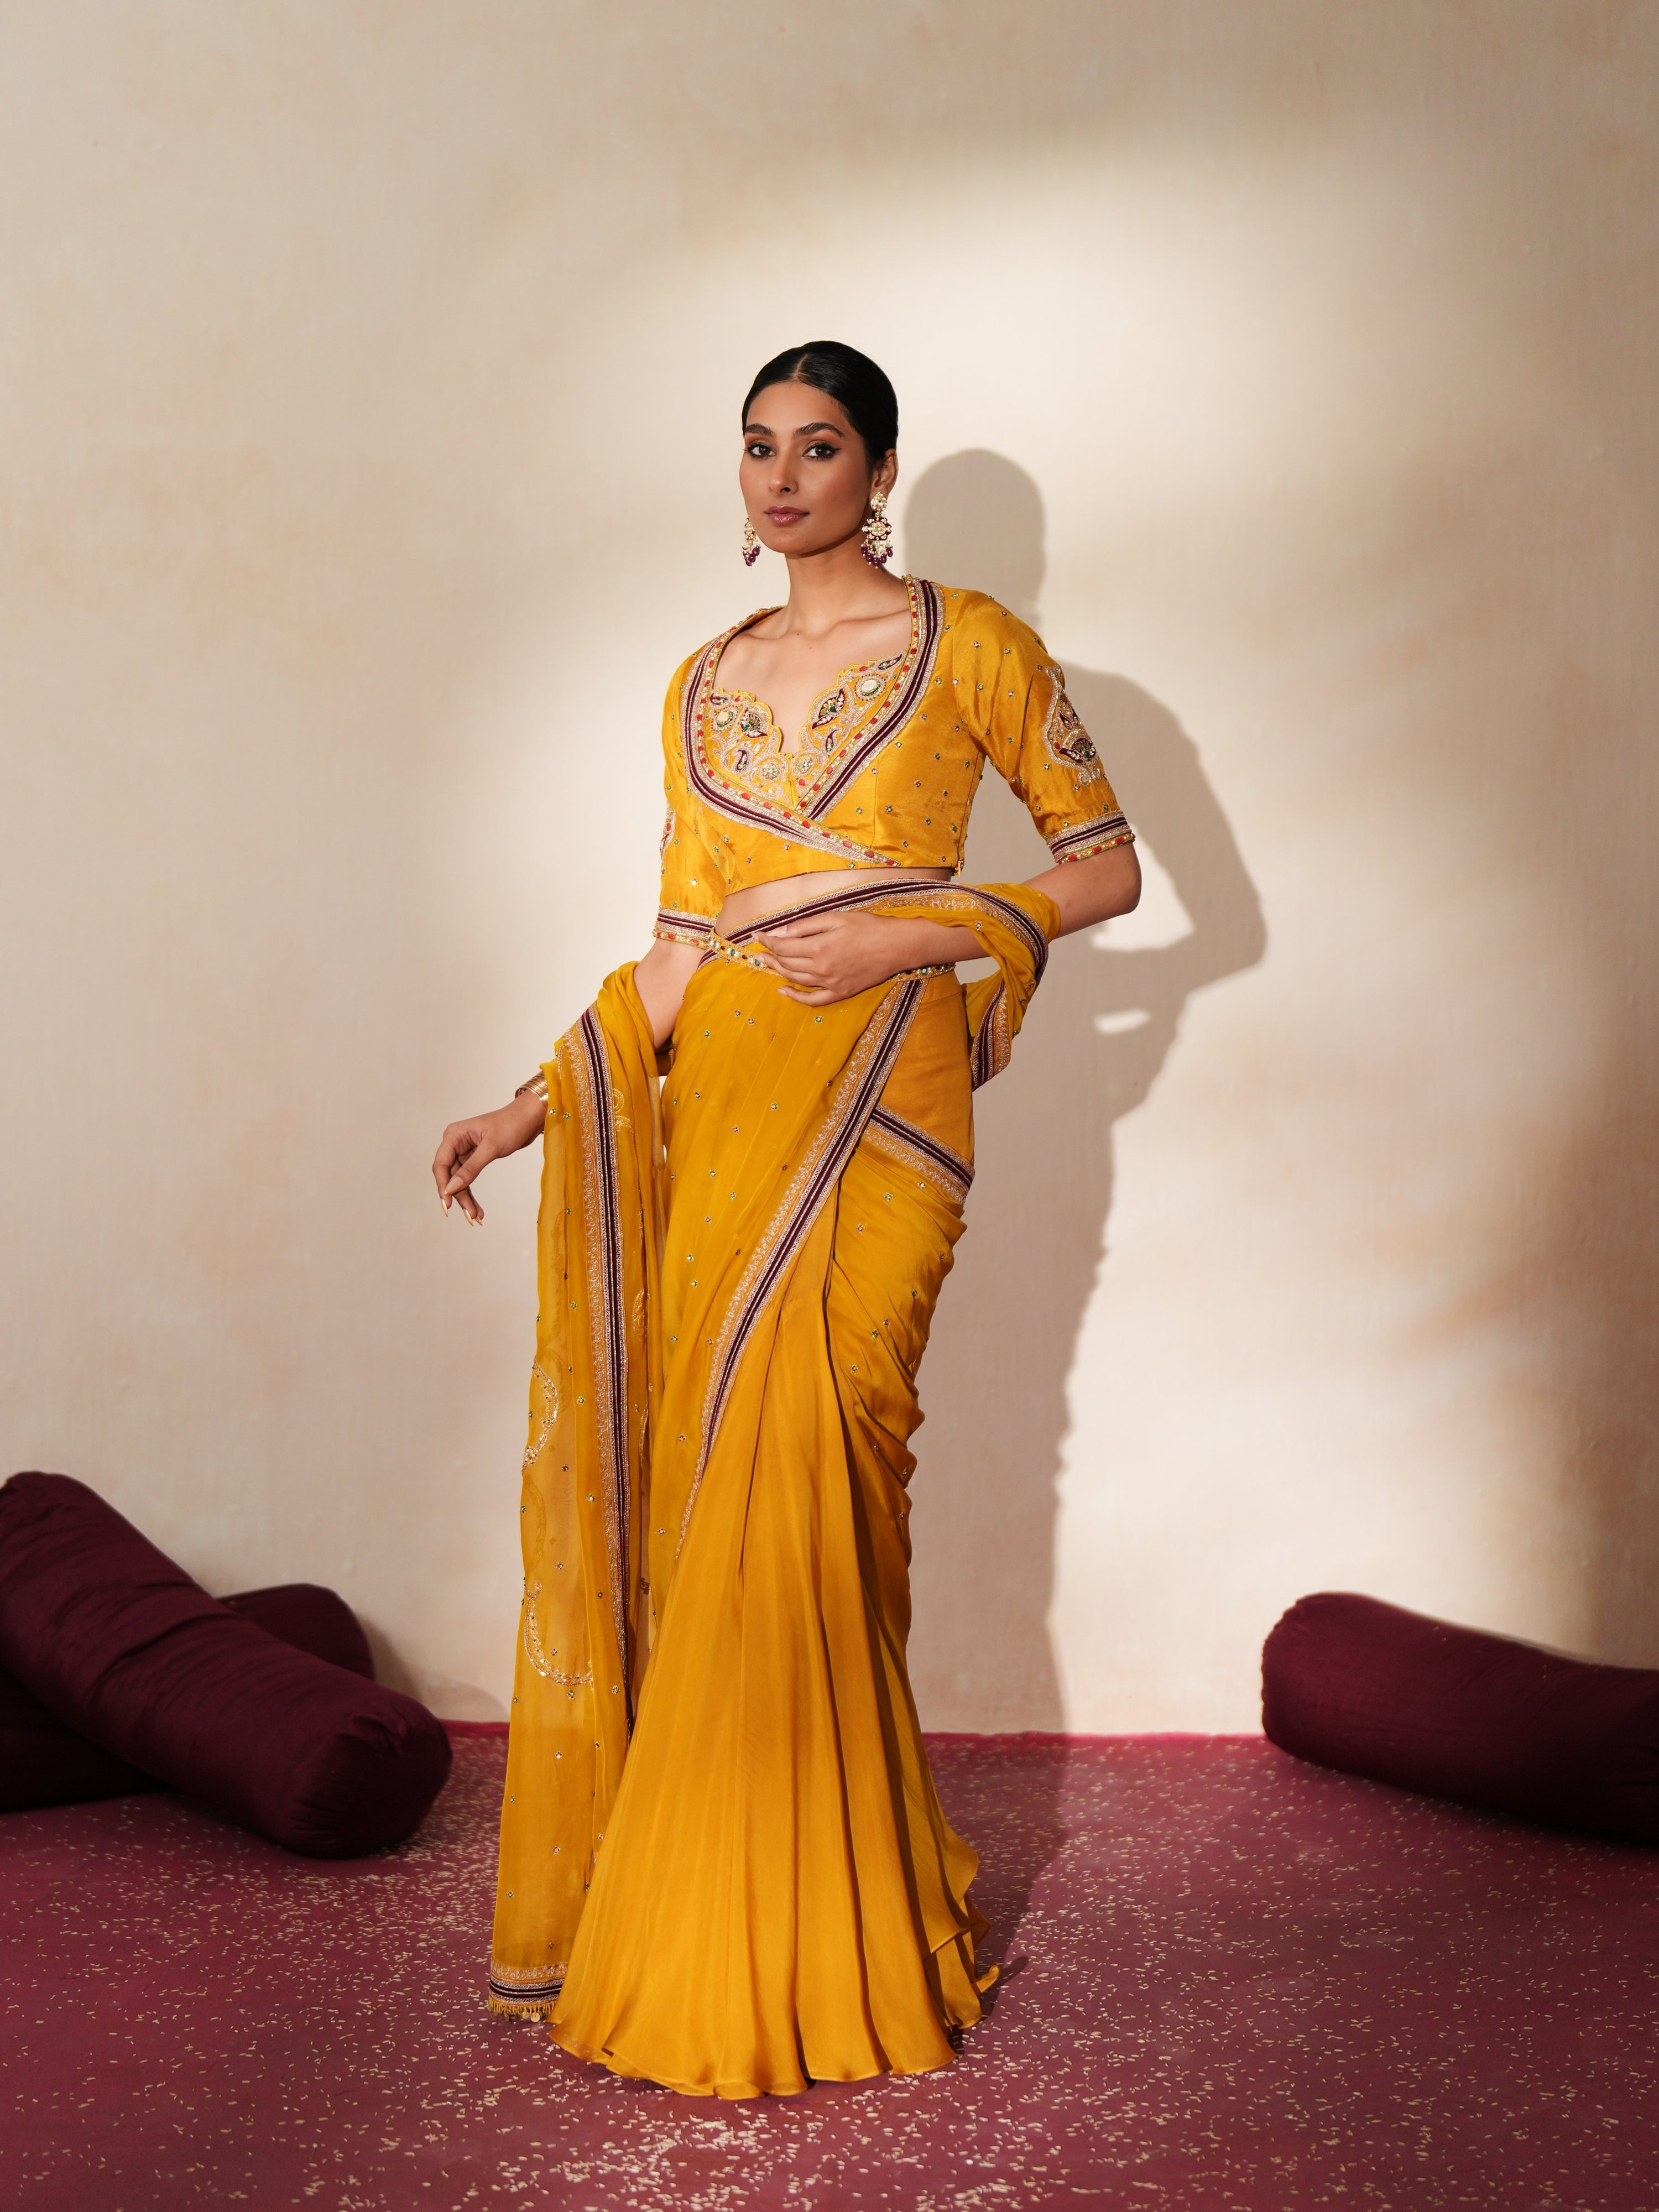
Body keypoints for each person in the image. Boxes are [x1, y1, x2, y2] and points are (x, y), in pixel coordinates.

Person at [431, 341, 1141, 2100]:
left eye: (819, 447)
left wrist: (922, 931)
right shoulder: (701, 682)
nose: (781, 476)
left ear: (876, 469)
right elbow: (682, 942)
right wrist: (538, 1101)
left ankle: (845, 1903)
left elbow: (1105, 861)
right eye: (757, 447)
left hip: (887, 1094)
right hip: (732, 1097)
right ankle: (710, 1906)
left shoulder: (971, 644)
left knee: (834, 1463)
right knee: (715, 1474)